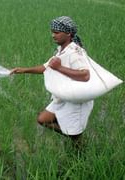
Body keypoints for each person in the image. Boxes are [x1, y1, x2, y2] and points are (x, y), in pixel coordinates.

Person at [10, 16, 94, 148]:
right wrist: (23, 70)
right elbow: (46, 67)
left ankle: (80, 146)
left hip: (75, 99)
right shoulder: (61, 50)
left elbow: (85, 75)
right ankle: (75, 137)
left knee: (68, 133)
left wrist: (59, 68)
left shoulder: (76, 53)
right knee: (43, 119)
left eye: (56, 32)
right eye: (52, 32)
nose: (53, 35)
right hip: (63, 96)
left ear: (68, 33)